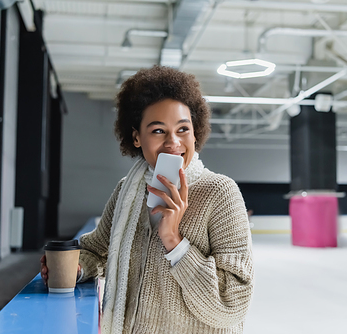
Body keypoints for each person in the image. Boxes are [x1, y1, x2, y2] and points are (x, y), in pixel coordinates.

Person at [41, 65, 254, 334]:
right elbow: (97, 249)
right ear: (136, 137)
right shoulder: (128, 191)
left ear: (195, 132)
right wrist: (77, 268)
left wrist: (174, 242)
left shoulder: (220, 193)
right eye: (157, 131)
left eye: (183, 129)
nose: (173, 142)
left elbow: (230, 305)